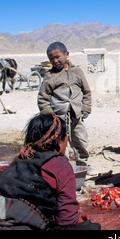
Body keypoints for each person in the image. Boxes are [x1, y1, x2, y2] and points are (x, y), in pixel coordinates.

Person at [0, 113, 100, 230]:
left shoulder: (19, 160)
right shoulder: (59, 165)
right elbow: (66, 222)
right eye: (66, 139)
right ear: (59, 142)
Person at [37, 42, 94, 173]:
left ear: (66, 54)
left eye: (58, 57)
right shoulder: (50, 76)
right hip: (58, 116)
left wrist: (86, 108)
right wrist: (49, 115)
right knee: (60, 142)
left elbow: (86, 91)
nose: (55, 61)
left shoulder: (77, 72)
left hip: (76, 114)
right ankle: (64, 167)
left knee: (80, 139)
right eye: (51, 59)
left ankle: (83, 164)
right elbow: (42, 98)